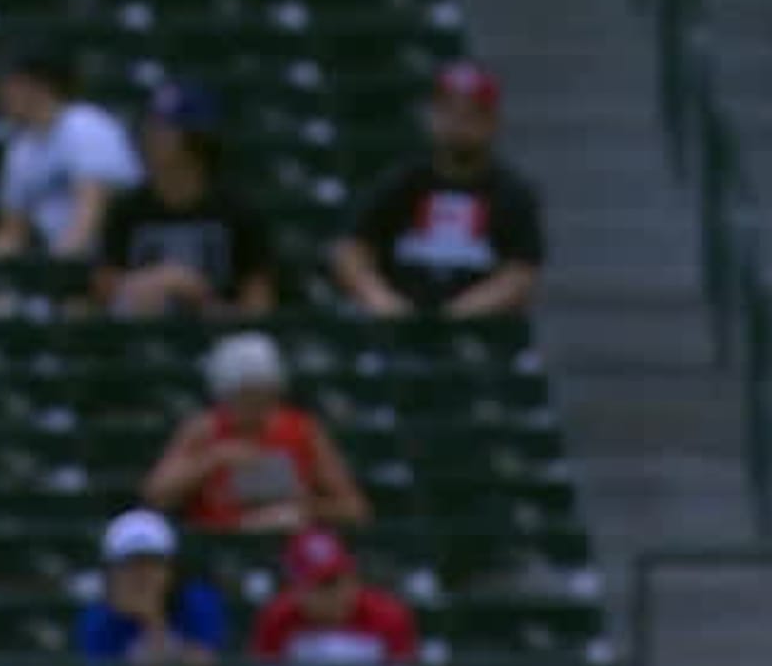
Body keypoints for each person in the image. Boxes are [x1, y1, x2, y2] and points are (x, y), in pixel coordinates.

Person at [329, 61, 545, 318]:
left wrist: (458, 315)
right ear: (432, 116)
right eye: (448, 112)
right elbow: (349, 250)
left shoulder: (512, 192)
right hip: (398, 327)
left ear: (492, 122)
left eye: (471, 115)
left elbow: (521, 272)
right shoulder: (402, 182)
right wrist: (382, 300)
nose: (458, 124)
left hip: (484, 331)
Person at [141, 331, 372, 533]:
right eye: (245, 397)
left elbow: (355, 509)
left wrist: (307, 508)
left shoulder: (302, 429)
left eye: (264, 396)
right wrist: (213, 459)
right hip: (221, 543)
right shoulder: (203, 430)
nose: (257, 408)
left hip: (288, 542)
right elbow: (156, 496)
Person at [95, 83, 277, 317]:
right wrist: (153, 282)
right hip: (142, 335)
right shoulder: (127, 208)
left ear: (197, 140)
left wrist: (199, 294)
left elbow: (258, 305)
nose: (150, 138)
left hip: (220, 337)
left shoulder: (238, 211)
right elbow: (102, 286)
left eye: (164, 130)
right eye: (150, 127)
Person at [0, 42, 141, 261]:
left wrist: (54, 273)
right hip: (56, 264)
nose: (1, 94)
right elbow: (12, 232)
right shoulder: (22, 147)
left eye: (11, 84)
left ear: (39, 85)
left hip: (105, 265)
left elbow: (90, 219)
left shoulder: (87, 126)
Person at [249, 527, 424, 666]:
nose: (339, 593)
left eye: (342, 578)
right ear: (297, 589)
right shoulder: (276, 620)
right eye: (325, 586)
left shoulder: (389, 616)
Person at [71, 508, 226, 666]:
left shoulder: (199, 602)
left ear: (171, 569)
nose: (142, 574)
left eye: (152, 563)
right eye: (130, 564)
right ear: (111, 572)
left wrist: (153, 619)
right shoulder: (96, 618)